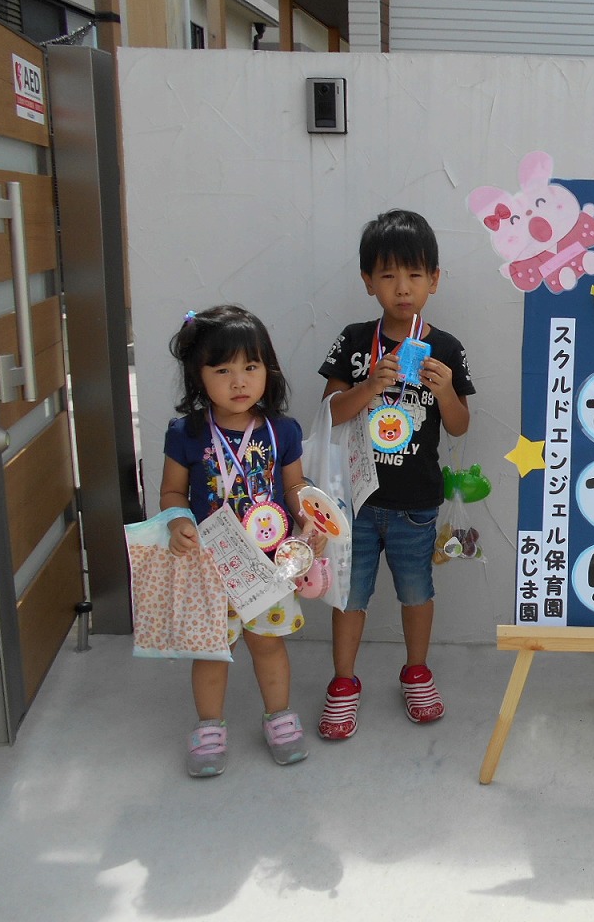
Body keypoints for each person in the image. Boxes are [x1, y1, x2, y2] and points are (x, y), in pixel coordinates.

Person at [316, 209, 474, 739]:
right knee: (350, 596)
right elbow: (329, 412)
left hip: (416, 501)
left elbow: (459, 427)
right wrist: (368, 388)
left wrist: (446, 390)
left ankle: (416, 672)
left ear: (434, 279)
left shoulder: (446, 347)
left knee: (416, 592)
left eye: (413, 275)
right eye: (387, 275)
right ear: (368, 282)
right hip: (352, 501)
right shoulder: (356, 340)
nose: (401, 288)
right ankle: (343, 683)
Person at [161, 304, 314, 777]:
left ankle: (280, 718)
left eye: (251, 367)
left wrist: (308, 516)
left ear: (268, 370)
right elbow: (171, 490)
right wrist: (175, 521)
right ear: (197, 375)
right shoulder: (185, 433)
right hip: (209, 563)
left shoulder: (281, 430)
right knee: (212, 651)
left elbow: (293, 488)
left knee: (268, 644)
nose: (239, 381)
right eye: (222, 370)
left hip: (267, 566)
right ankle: (209, 728)